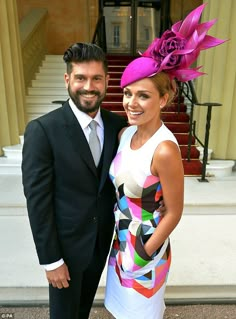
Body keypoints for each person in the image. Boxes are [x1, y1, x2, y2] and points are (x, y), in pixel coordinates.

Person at [104, 4, 225, 319]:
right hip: (120, 241)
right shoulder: (124, 135)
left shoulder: (165, 149)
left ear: (164, 98)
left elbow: (174, 211)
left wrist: (144, 252)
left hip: (146, 245)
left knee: (142, 311)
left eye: (143, 95)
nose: (131, 102)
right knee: (121, 309)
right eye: (128, 93)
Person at [21, 42, 127, 319]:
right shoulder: (43, 130)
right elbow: (37, 202)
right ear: (68, 79)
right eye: (80, 77)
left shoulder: (118, 127)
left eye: (96, 78)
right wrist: (50, 260)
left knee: (81, 312)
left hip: (101, 243)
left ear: (107, 81)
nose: (88, 86)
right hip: (64, 250)